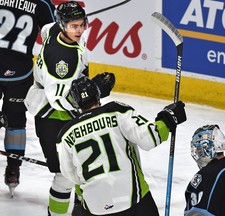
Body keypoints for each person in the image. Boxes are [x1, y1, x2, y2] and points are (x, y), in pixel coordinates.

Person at [24, 1, 115, 215]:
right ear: (63, 25)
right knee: (65, 176)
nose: (80, 30)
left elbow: (46, 29)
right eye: (74, 26)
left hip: (61, 113)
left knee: (82, 170)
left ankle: (81, 210)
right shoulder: (62, 61)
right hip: (53, 118)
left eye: (82, 24)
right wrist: (96, 90)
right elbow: (60, 100)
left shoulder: (55, 29)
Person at [56, 76, 187, 216]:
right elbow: (149, 137)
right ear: (97, 94)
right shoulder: (117, 111)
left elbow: (70, 174)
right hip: (133, 201)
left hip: (96, 207)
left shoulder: (65, 135)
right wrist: (168, 118)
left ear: (76, 103)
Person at [0, 0, 55, 194]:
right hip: (20, 74)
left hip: (19, 74)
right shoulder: (41, 3)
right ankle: (13, 168)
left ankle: (14, 167)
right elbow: (54, 36)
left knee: (15, 119)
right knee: (15, 121)